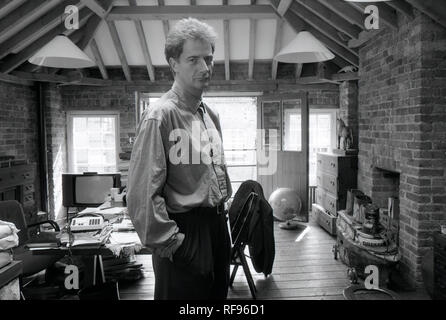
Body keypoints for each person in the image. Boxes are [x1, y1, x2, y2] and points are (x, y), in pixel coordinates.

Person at [127, 17, 233, 300]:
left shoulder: (210, 115)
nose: (205, 68)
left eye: (208, 59)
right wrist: (176, 244)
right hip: (183, 233)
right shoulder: (159, 116)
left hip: (217, 230)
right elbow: (140, 196)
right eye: (193, 60)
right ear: (174, 63)